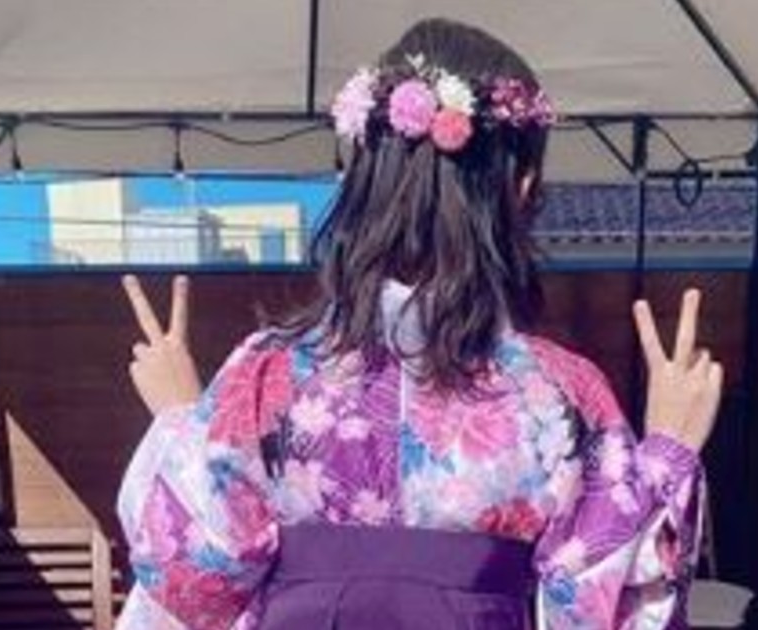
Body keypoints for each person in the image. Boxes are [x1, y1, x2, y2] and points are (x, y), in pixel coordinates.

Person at [115, 18, 722, 630]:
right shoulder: (561, 393)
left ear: (362, 176)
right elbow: (596, 611)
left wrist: (181, 422)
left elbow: (190, 582)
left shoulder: (267, 373)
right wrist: (667, 452)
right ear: (522, 189)